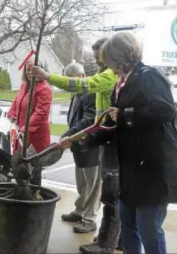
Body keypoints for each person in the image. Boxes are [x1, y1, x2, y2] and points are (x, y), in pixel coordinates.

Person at [83, 32, 177, 254]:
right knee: (127, 224)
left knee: (149, 228)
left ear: (122, 56)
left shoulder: (149, 76)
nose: (108, 67)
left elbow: (165, 111)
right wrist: (85, 140)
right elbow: (114, 123)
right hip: (130, 169)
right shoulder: (120, 82)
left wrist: (126, 115)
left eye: (110, 61)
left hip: (153, 169)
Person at [32, 38, 123, 254]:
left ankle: (97, 228)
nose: (97, 61)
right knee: (90, 184)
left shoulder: (105, 78)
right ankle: (101, 228)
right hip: (97, 136)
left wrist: (48, 76)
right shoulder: (106, 77)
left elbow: (88, 108)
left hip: (100, 139)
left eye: (100, 56)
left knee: (104, 190)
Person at [58, 61, 102, 234]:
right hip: (79, 145)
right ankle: (80, 210)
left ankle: (90, 218)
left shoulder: (89, 91)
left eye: (72, 80)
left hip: (90, 145)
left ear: (82, 77)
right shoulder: (77, 93)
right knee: (82, 183)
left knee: (93, 185)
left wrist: (70, 133)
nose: (70, 85)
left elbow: (90, 119)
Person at [7, 59, 52, 186]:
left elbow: (41, 114)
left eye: (33, 70)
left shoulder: (45, 89)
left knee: (33, 172)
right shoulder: (24, 86)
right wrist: (11, 113)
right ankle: (23, 195)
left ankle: (34, 196)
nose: (29, 73)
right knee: (21, 170)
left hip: (35, 138)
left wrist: (24, 129)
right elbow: (17, 101)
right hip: (22, 134)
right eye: (27, 70)